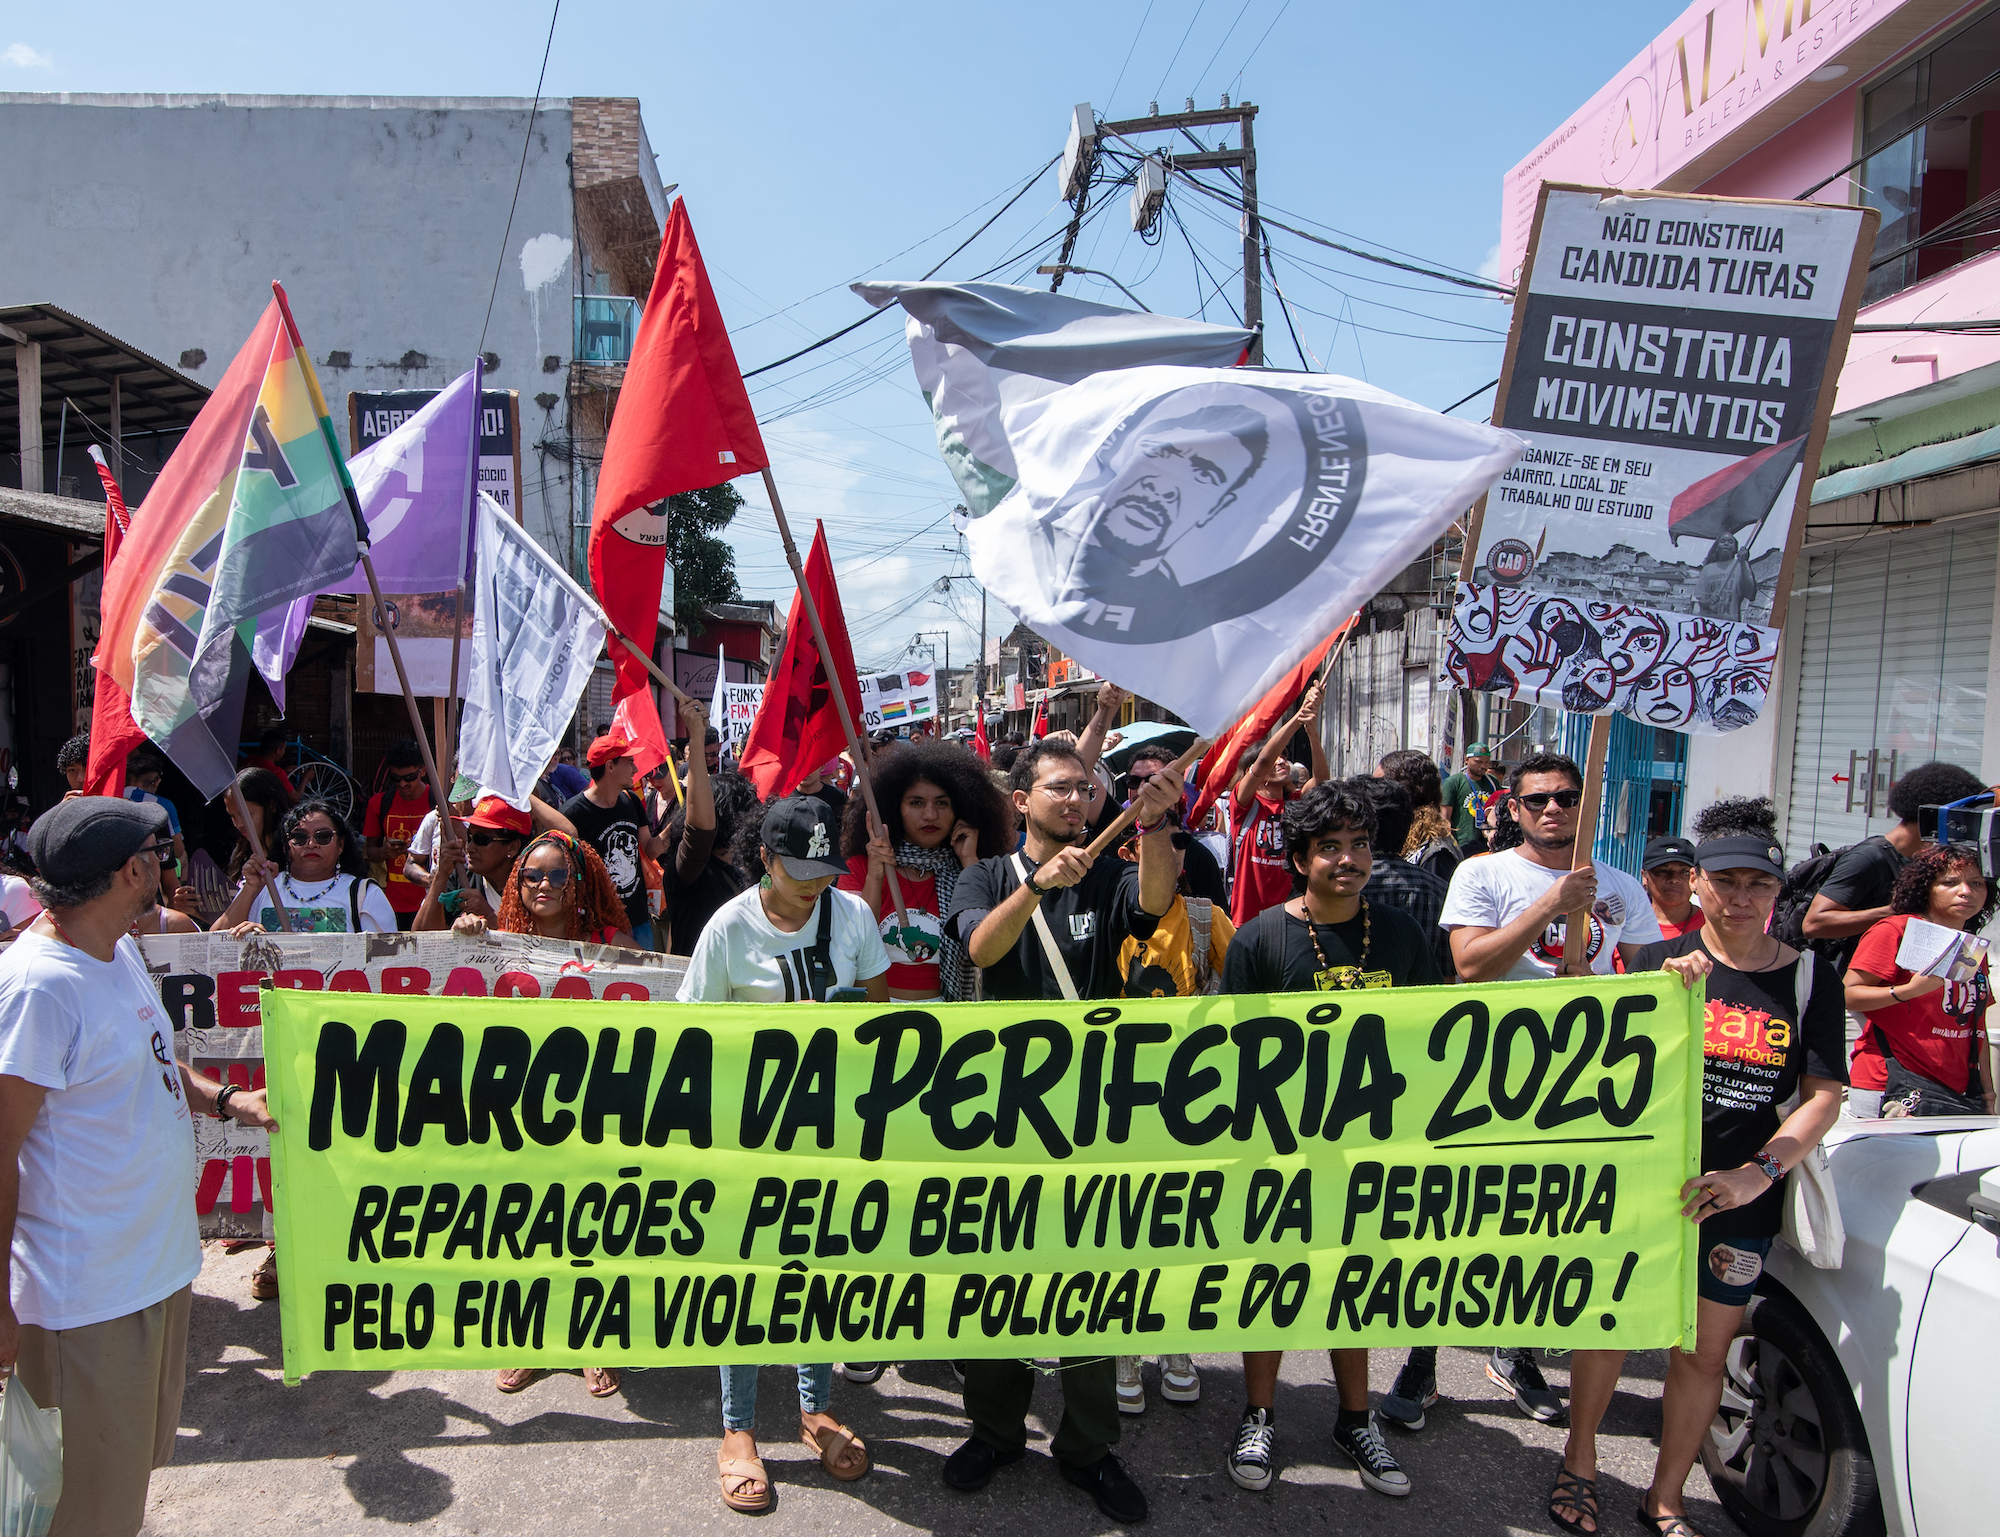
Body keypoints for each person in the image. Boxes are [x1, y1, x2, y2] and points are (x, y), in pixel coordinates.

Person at [1553, 822, 1845, 1537]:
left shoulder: (1810, 978)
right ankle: (1580, 1461)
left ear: (1779, 891)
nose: (1743, 898)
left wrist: (1758, 1172)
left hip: (1736, 1199)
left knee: (1703, 1350)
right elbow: (1590, 1060)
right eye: (1728, 882)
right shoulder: (1654, 958)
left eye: (1761, 884)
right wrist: (1655, 988)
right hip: (1644, 1186)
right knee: (1613, 1323)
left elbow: (1824, 1095)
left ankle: (1666, 1495)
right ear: (1697, 884)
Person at [0, 796, 277, 1537]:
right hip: (84, 1303)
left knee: (120, 1495)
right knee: (81, 1513)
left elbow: (151, 1060)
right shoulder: (36, 986)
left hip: (152, 1276)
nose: (169, 861)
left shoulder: (113, 948)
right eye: (162, 850)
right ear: (132, 869)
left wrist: (225, 1098)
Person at [938, 738, 1183, 1525]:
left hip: (1095, 1113)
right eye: (1060, 787)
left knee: (1091, 1281)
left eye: (1088, 789)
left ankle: (1087, 1446)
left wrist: (1152, 827)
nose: (1077, 800)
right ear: (1020, 800)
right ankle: (996, 1429)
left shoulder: (1110, 871)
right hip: (1003, 1117)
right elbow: (981, 945)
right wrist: (1038, 886)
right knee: (998, 1277)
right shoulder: (984, 874)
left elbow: (1154, 903)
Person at [1431, 751, 1664, 1426]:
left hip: (1583, 1082)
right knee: (1464, 1221)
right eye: (1537, 800)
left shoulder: (1620, 885)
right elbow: (1472, 967)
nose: (1553, 809)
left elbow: (1650, 975)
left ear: (1584, 803)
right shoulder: (1483, 872)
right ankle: (1422, 1360)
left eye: (1566, 797)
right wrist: (1552, 905)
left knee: (1547, 1224)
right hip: (1492, 1075)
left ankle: (1518, 1349)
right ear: (1514, 808)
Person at [1219, 780, 1435, 1496]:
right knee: (1273, 1275)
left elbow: (1435, 1035)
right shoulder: (1259, 938)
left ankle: (1354, 1417)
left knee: (1357, 1281)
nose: (1348, 859)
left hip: (1372, 1149)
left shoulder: (1401, 933)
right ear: (1301, 857)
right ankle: (1259, 1411)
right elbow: (1233, 1050)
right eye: (1330, 847)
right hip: (1280, 1148)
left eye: (1359, 844)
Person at [678, 795, 885, 1512]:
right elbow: (692, 1041)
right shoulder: (727, 930)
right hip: (748, 1138)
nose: (814, 882)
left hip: (830, 1137)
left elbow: (878, 1016)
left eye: (825, 869)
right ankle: (737, 1430)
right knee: (747, 1279)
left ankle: (815, 1408)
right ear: (762, 858)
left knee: (819, 1271)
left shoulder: (853, 915)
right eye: (799, 869)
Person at [455, 830, 632, 1401]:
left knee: (589, 1222)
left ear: (577, 884)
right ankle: (529, 1338)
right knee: (526, 1226)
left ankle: (592, 1337)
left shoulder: (614, 942)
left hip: (594, 1110)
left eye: (557, 875)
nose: (543, 886)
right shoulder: (498, 943)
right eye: (532, 876)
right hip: (520, 1114)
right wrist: (466, 939)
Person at [840, 739, 1013, 1004]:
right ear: (895, 809)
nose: (930, 814)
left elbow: (995, 939)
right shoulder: (861, 866)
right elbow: (852, 942)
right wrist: (875, 875)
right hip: (876, 1018)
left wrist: (970, 863)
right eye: (916, 803)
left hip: (952, 1019)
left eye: (942, 804)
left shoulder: (979, 867)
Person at [1845, 841, 1995, 1117]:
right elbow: (1848, 995)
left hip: (1952, 1094)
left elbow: (1977, 1027)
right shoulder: (1896, 930)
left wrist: (1987, 1091)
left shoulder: (1971, 948)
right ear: (1925, 887)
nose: (1966, 892)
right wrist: (1907, 991)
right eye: (1950, 882)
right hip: (1891, 1086)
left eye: (1976, 883)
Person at [1800, 760, 1988, 968]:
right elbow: (1814, 923)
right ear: (1934, 815)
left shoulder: (1931, 861)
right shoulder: (1869, 857)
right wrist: (1896, 911)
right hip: (1858, 983)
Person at [213, 799, 396, 936]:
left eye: (322, 836)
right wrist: (250, 889)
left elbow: (386, 960)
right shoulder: (263, 886)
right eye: (300, 837)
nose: (311, 844)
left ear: (341, 845)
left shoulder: (365, 894)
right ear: (286, 845)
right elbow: (214, 945)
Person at [1229, 680, 1328, 929]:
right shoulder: (1245, 804)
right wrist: (1297, 717)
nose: (1281, 762)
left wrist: (1312, 732)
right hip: (1248, 917)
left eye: (1284, 757)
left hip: (1290, 915)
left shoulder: (1295, 803)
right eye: (1276, 758)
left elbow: (1323, 780)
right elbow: (1263, 760)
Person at [563, 728, 669, 949]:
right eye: (629, 762)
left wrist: (678, 826)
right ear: (610, 766)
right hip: (599, 928)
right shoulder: (572, 814)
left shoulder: (631, 801)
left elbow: (648, 849)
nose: (636, 768)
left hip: (638, 920)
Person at [1357, 776, 1453, 983]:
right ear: (1407, 826)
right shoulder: (1439, 890)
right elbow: (1447, 978)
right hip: (1418, 1008)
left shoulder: (1331, 887)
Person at [170, 767, 294, 925]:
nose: (239, 824)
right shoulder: (240, 853)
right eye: (233, 816)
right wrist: (194, 908)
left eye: (247, 814)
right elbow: (228, 920)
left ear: (271, 806)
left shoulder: (293, 854)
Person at [1125, 743, 1228, 905]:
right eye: (1134, 781)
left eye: (1153, 780)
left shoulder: (1199, 857)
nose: (1142, 788)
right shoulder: (1114, 838)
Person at [415, 796, 533, 932]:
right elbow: (420, 937)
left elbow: (535, 943)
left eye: (480, 839)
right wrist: (441, 875)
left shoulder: (533, 885)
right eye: (469, 836)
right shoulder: (459, 874)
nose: (470, 847)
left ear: (512, 847)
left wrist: (489, 915)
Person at [362, 740, 433, 931]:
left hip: (430, 899)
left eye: (409, 777)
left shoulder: (437, 801)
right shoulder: (379, 803)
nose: (402, 784)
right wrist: (385, 852)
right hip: (392, 901)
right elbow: (371, 852)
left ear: (423, 771)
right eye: (396, 778)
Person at [1377, 749, 1461, 885]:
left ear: (1401, 791)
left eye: (1378, 785)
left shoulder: (1435, 851)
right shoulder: (1396, 838)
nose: (1370, 791)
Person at [123, 752, 187, 895]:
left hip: (118, 869)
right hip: (154, 873)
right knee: (182, 857)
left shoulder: (110, 798)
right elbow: (178, 850)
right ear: (157, 781)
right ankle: (178, 903)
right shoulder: (162, 805)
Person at [402, 775, 477, 888]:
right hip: (437, 901)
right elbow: (411, 864)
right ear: (453, 778)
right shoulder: (434, 819)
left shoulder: (487, 821)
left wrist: (456, 826)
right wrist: (434, 880)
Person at [1639, 836, 1704, 941]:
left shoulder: (1711, 927)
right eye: (1663, 871)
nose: (1674, 879)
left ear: (1694, 878)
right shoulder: (1627, 926)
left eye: (1684, 872)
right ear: (1645, 877)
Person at [1441, 743, 1501, 855]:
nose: (1483, 766)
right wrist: (1449, 842)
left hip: (1486, 844)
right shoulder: (1454, 782)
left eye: (1486, 762)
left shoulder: (1493, 782)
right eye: (1478, 762)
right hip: (1462, 844)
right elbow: (1445, 816)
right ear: (1467, 760)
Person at [239, 725, 298, 798]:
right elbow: (295, 798)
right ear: (278, 750)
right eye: (284, 749)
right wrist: (306, 779)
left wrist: (284, 772)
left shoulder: (249, 759)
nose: (284, 752)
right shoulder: (277, 772)